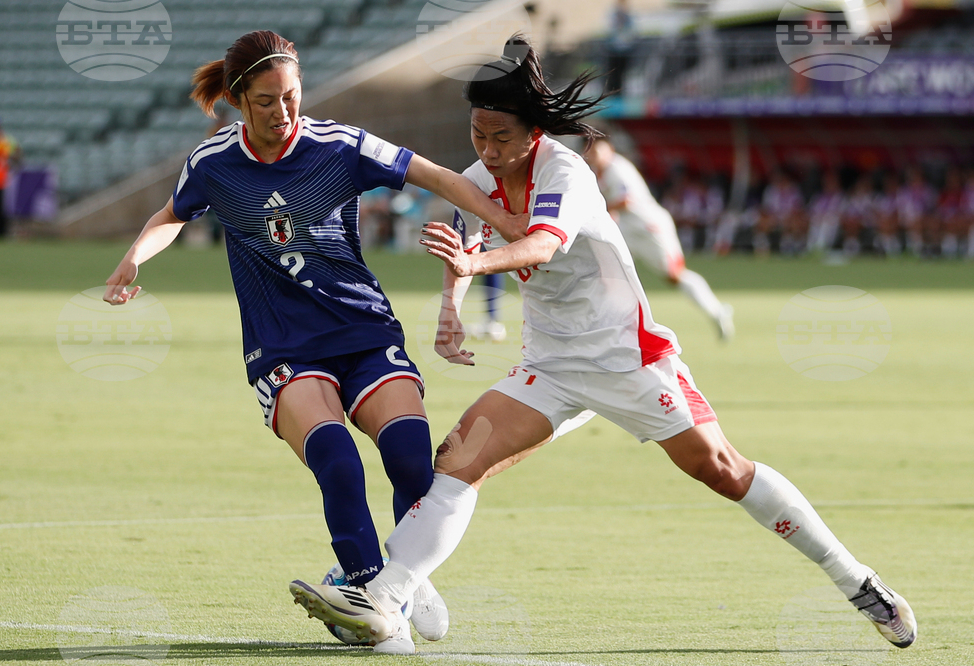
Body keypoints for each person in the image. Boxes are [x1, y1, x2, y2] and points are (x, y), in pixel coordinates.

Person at [291, 35, 918, 655]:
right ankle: (385, 595)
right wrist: (451, 310)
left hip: (628, 359)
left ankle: (854, 579)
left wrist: (475, 271)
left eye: (501, 136)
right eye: (478, 135)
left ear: (534, 130)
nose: (488, 149)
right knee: (456, 460)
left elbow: (540, 245)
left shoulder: (565, 172)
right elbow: (465, 244)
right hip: (551, 367)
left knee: (723, 469)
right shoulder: (479, 176)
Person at [101, 30, 526, 653]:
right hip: (284, 349)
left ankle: (399, 578)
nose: (284, 113)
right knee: (338, 461)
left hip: (362, 329)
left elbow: (440, 178)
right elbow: (171, 214)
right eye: (268, 101)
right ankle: (375, 611)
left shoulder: (340, 146)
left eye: (292, 97)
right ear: (239, 99)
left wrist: (511, 228)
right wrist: (134, 258)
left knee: (411, 455)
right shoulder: (214, 163)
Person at [583, 137, 733, 339]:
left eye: (597, 150)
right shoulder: (598, 172)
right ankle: (609, 326)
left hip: (648, 226)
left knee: (675, 274)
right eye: (590, 152)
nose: (593, 155)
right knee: (607, 271)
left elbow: (625, 201)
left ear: (609, 148)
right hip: (627, 228)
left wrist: (600, 211)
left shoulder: (617, 168)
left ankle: (717, 311)